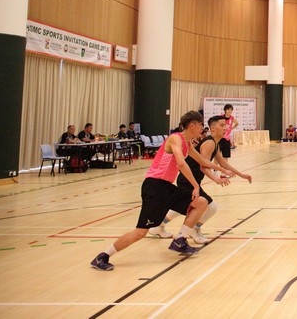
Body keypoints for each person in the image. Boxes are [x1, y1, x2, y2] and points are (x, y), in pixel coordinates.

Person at [89, 111, 232, 271]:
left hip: (166, 187)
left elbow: (202, 160)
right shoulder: (175, 138)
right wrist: (196, 185)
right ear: (192, 125)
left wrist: (224, 170)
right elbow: (181, 163)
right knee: (140, 232)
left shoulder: (188, 143)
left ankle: (180, 240)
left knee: (201, 202)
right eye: (200, 125)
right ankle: (103, 256)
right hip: (154, 187)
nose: (202, 129)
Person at [149, 115, 252, 242]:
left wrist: (242, 175)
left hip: (191, 179)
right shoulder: (209, 143)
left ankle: (158, 226)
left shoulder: (216, 144)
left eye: (225, 125)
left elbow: (223, 163)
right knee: (210, 206)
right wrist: (216, 179)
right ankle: (192, 229)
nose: (225, 128)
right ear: (213, 128)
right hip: (188, 179)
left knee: (185, 207)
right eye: (222, 125)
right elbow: (203, 166)